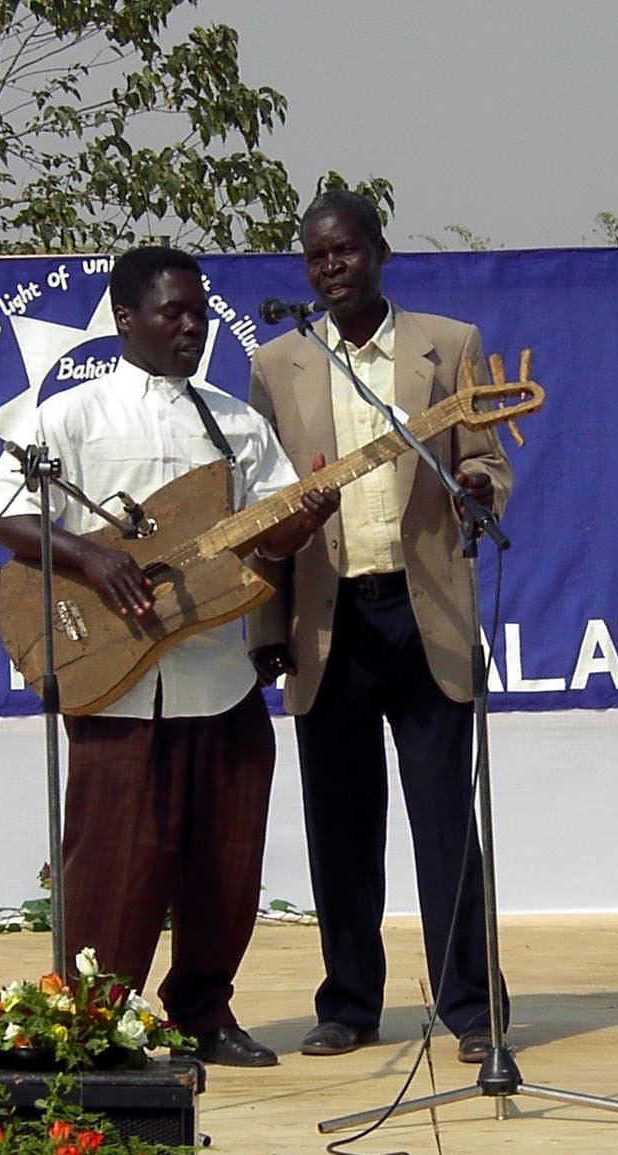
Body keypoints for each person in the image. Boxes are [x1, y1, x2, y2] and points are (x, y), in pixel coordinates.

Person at [0, 246, 339, 1068]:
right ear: (125, 319)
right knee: (113, 859)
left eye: (199, 311)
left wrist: (305, 515)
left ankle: (202, 1012)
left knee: (227, 855)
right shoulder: (74, 414)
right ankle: (95, 1022)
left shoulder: (233, 421)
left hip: (217, 673)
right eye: (171, 312)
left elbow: (271, 535)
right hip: (116, 681)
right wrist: (91, 558)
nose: (190, 327)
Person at [246, 190, 513, 1063]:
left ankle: (473, 1006)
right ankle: (350, 1002)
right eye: (316, 257)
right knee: (340, 826)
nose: (331, 269)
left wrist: (479, 489)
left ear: (379, 251)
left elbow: (485, 458)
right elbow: (263, 510)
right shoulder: (275, 363)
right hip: (327, 625)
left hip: (424, 609)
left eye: (345, 251)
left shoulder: (449, 344)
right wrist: (263, 630)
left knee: (446, 822)